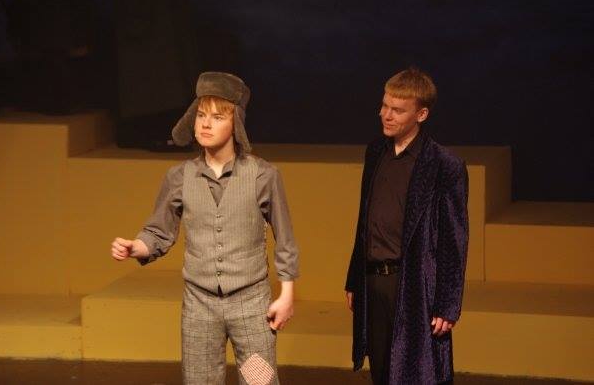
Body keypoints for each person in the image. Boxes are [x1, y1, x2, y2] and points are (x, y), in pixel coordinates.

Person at [110, 72, 299, 385]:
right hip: (200, 305)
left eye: (217, 117)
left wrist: (287, 294)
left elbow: (285, 239)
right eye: (200, 115)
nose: (205, 124)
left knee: (259, 381)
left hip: (250, 304)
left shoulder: (262, 175)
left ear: (236, 123)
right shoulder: (179, 177)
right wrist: (136, 247)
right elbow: (159, 232)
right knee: (200, 381)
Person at [344, 68, 469, 384]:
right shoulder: (376, 151)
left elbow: (454, 239)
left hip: (414, 284)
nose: (386, 115)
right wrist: (355, 278)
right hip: (374, 280)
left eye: (397, 110)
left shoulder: (444, 165)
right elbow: (365, 220)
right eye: (384, 106)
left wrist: (448, 303)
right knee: (382, 370)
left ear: (421, 114)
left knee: (417, 374)